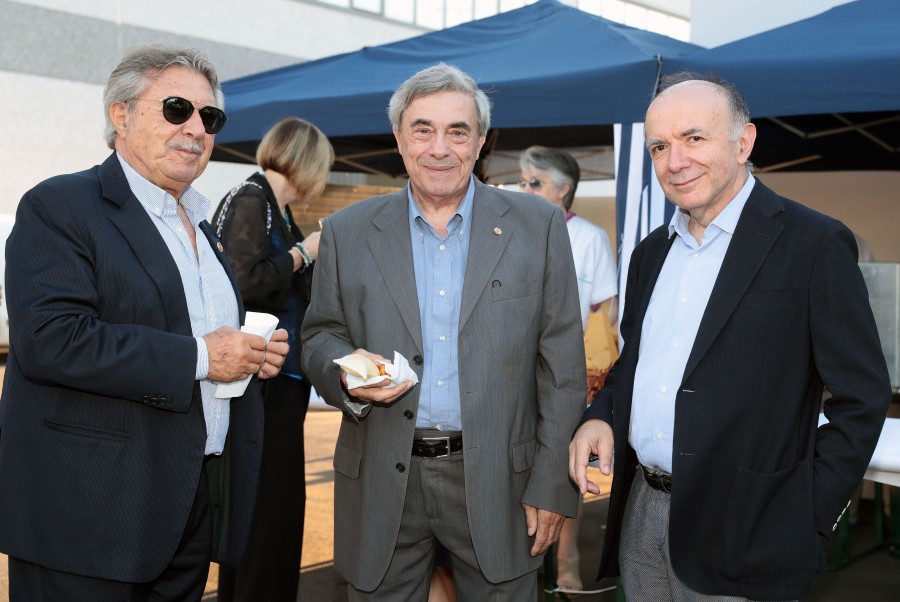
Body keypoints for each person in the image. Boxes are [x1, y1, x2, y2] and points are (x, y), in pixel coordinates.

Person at [569, 71, 892, 601]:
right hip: (641, 511)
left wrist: (806, 510)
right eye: (659, 146)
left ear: (744, 143)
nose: (675, 161)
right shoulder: (650, 253)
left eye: (694, 138)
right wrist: (600, 415)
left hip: (750, 527)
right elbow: (634, 364)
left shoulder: (813, 243)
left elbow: (863, 396)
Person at [0, 44, 289, 601]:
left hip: (185, 504)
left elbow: (198, 338)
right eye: (177, 108)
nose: (196, 128)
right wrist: (205, 357)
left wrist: (251, 354)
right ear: (121, 114)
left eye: (210, 116)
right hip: (87, 514)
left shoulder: (202, 226)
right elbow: (50, 339)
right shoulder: (60, 205)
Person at [300, 62, 587, 601]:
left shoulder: (538, 226)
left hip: (501, 479)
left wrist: (553, 483)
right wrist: (347, 373)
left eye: (457, 131)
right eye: (422, 129)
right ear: (399, 138)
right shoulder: (347, 231)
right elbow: (319, 337)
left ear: (479, 142)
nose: (439, 148)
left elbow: (562, 369)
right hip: (382, 473)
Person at [213, 117, 334, 601]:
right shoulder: (252, 199)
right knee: (267, 509)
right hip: (263, 381)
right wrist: (305, 252)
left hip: (281, 380)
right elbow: (242, 281)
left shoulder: (275, 208)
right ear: (305, 162)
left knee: (277, 509)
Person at [518, 145, 618, 594]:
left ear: (564, 189)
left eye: (535, 182)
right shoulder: (512, 231)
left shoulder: (589, 238)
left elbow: (607, 312)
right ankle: (522, 564)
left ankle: (567, 562)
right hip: (514, 372)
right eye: (522, 181)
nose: (525, 189)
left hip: (565, 373)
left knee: (564, 466)